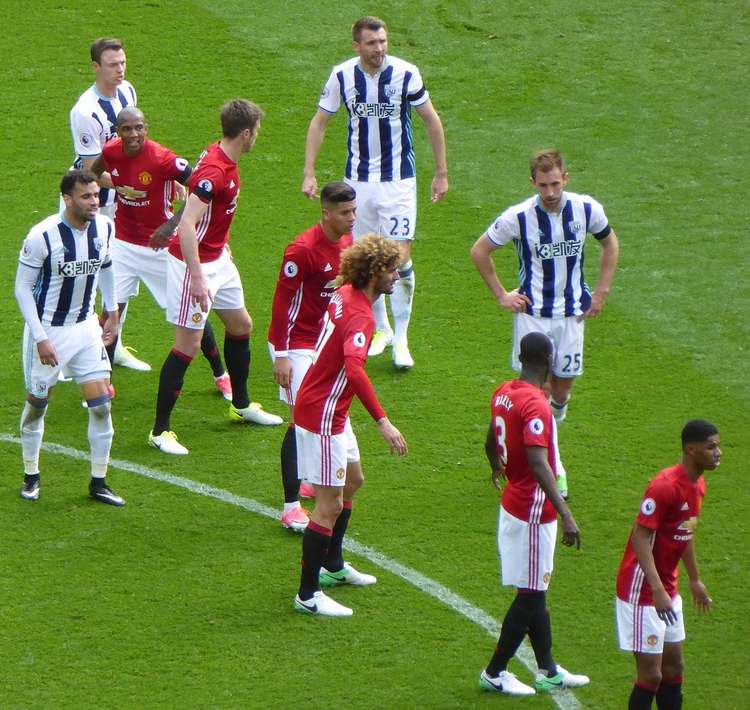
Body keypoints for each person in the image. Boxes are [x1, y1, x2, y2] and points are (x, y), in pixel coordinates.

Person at [301, 16, 448, 370]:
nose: (379, 48)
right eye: (371, 43)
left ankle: (402, 338)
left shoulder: (406, 74)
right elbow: (320, 121)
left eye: (383, 41)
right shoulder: (342, 76)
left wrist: (441, 172)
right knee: (366, 257)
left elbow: (431, 119)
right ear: (357, 46)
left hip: (399, 181)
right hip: (359, 182)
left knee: (398, 259)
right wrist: (308, 171)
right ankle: (380, 329)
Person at [148, 99, 282, 456]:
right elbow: (188, 225)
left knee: (241, 325)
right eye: (257, 132)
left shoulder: (221, 157)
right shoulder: (214, 175)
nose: (258, 138)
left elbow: (211, 222)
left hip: (219, 258)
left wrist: (223, 249)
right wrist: (196, 277)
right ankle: (160, 431)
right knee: (187, 346)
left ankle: (241, 404)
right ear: (246, 133)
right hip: (193, 265)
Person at [293, 235, 407, 617]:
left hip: (332, 410)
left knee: (353, 481)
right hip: (323, 414)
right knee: (328, 505)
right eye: (391, 269)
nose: (397, 274)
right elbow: (355, 369)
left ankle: (333, 565)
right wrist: (384, 422)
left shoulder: (345, 292)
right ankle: (308, 595)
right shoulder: (361, 314)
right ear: (375, 271)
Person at [91, 107, 233, 399]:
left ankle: (221, 373)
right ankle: (101, 381)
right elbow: (93, 173)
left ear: (147, 128)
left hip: (160, 250)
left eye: (138, 128)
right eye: (127, 129)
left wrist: (170, 226)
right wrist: (107, 185)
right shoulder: (110, 151)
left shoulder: (162, 159)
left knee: (193, 315)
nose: (133, 134)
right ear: (118, 131)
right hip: (123, 246)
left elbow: (199, 190)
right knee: (110, 311)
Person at [471, 149, 619, 423]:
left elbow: (610, 243)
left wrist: (600, 293)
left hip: (572, 313)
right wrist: (501, 295)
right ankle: (545, 446)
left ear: (565, 178)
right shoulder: (518, 217)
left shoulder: (587, 209)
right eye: (543, 185)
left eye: (555, 184)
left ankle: (550, 435)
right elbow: (479, 251)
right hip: (533, 315)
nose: (550, 192)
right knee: (536, 388)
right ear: (532, 183)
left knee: (562, 389)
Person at [479, 332, 588, 696]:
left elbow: (490, 437)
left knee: (536, 592)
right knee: (529, 597)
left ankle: (548, 670)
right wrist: (566, 514)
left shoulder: (504, 392)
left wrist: (496, 464)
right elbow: (541, 464)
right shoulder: (537, 405)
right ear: (549, 359)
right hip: (532, 512)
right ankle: (495, 672)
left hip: (515, 502)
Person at [15, 170, 124, 506]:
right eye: (86, 196)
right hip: (49, 332)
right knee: (36, 408)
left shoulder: (104, 227)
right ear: (67, 199)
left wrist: (112, 310)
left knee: (101, 407)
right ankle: (31, 476)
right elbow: (21, 289)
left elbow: (105, 266)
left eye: (96, 195)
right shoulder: (42, 236)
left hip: (86, 329)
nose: (94, 202)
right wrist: (41, 338)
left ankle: (99, 481)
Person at [268, 182, 356, 531]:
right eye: (345, 213)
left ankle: (309, 480)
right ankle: (291, 506)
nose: (352, 218)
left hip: (321, 342)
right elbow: (281, 303)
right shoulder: (302, 250)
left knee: (320, 416)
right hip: (294, 345)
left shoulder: (347, 244)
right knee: (301, 422)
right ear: (325, 213)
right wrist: (281, 355)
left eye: (353, 211)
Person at [616, 420, 720, 710]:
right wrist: (657, 589)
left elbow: (685, 531)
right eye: (711, 446)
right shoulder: (664, 486)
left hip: (667, 588)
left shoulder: (698, 483)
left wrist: (694, 579)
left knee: (674, 669)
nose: (718, 452)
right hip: (642, 590)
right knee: (651, 675)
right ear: (691, 449)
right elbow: (640, 535)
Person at [68, 36, 147, 371]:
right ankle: (72, 353)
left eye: (123, 63)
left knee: (119, 272)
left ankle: (112, 344)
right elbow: (88, 173)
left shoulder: (127, 92)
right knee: (82, 274)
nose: (120, 70)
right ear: (95, 67)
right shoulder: (85, 112)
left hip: (121, 199)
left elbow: (135, 145)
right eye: (113, 65)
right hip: (90, 202)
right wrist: (131, 183)